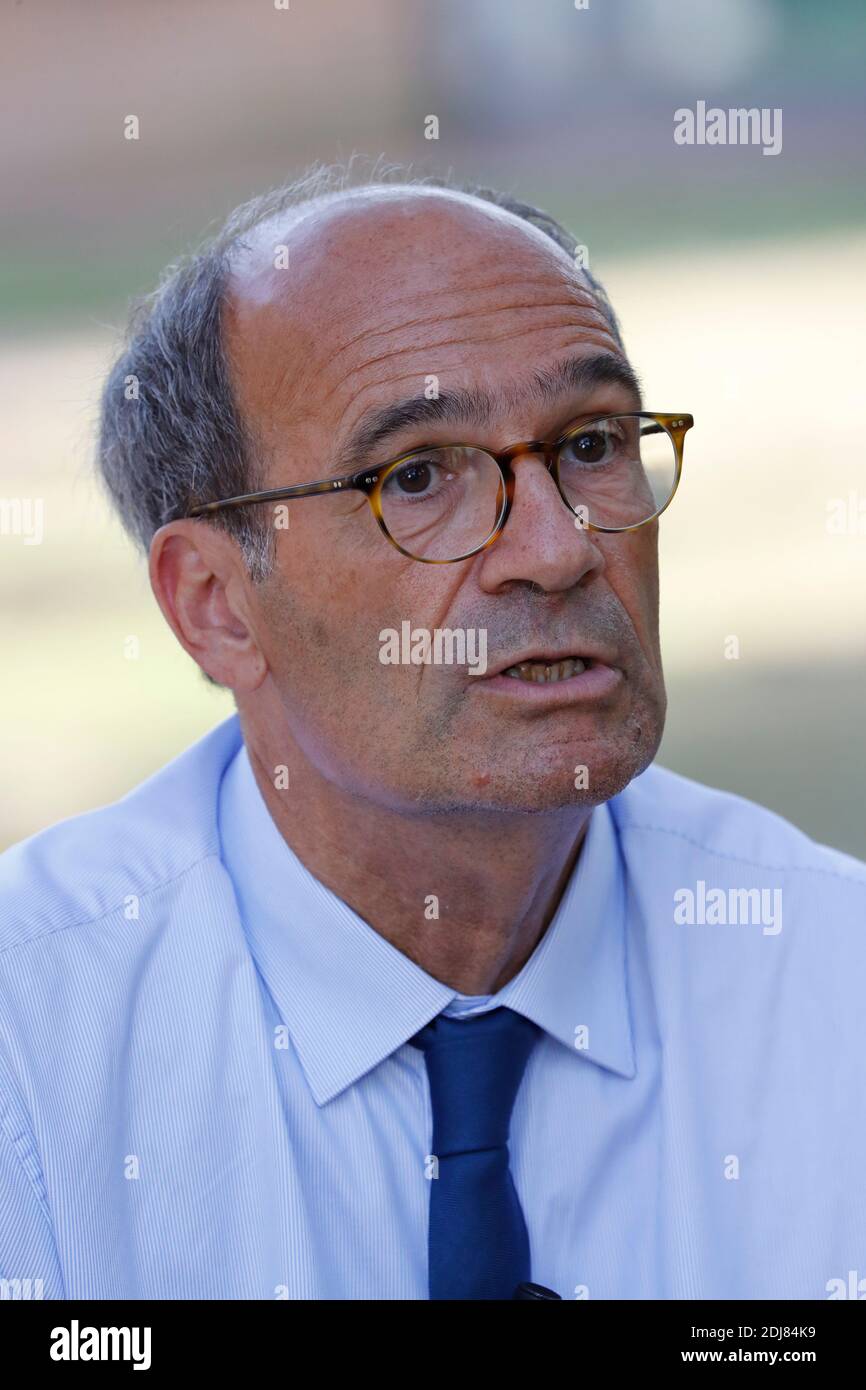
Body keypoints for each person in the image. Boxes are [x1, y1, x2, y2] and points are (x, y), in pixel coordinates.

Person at [1, 166, 864, 1301]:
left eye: (592, 444)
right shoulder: (34, 1040)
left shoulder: (828, 981)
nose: (556, 549)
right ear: (216, 604)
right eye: (416, 478)